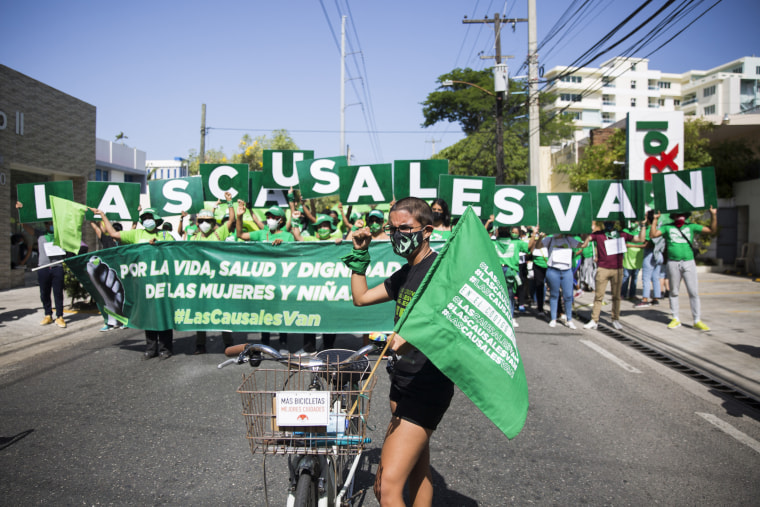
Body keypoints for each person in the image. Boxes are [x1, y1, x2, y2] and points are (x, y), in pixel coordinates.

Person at [344, 196, 452, 506]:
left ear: (427, 230)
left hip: (428, 384)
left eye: (405, 228)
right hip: (402, 381)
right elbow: (361, 297)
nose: (397, 235)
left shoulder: (440, 270)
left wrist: (412, 337)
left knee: (385, 487)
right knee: (419, 468)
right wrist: (360, 252)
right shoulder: (406, 272)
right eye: (392, 229)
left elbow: (449, 323)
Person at [91, 207, 176, 359]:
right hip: (143, 283)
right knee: (148, 315)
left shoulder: (165, 234)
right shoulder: (136, 234)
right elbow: (113, 234)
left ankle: (165, 348)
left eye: (150, 217)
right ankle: (151, 348)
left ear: (156, 219)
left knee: (163, 314)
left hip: (163, 283)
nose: (147, 220)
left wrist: (160, 245)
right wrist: (103, 215)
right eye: (144, 218)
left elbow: (175, 252)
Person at [237, 202, 294, 351]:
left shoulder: (288, 236)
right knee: (265, 312)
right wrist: (239, 217)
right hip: (263, 280)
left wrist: (284, 245)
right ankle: (264, 343)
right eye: (268, 216)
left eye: (273, 217)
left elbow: (293, 255)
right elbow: (240, 235)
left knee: (281, 311)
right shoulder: (262, 233)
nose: (269, 219)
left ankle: (283, 342)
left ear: (281, 220)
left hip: (281, 281)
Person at [650, 207, 717, 330]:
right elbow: (653, 235)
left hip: (688, 262)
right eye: (677, 215)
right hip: (673, 262)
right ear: (673, 216)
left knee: (693, 292)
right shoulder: (667, 227)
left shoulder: (691, 226)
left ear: (686, 216)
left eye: (682, 215)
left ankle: (697, 320)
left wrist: (713, 215)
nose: (679, 217)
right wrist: (655, 220)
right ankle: (675, 318)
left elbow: (712, 230)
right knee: (674, 292)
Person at [189, 203, 237, 353]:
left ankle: (228, 344)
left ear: (213, 223)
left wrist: (230, 203)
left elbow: (231, 221)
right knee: (200, 314)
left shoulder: (218, 234)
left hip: (219, 281)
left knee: (223, 313)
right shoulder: (193, 238)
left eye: (208, 221)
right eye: (201, 221)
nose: (205, 224)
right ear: (197, 223)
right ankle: (200, 344)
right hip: (200, 281)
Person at [293, 213, 343, 352]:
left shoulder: (336, 241)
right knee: (310, 315)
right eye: (320, 226)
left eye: (325, 226)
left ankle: (328, 347)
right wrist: (295, 220)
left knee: (330, 317)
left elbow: (351, 241)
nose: (322, 228)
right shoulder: (311, 240)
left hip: (330, 286)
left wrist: (342, 242)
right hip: (312, 285)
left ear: (330, 228)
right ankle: (309, 348)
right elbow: (298, 236)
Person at [585, 221, 645, 331]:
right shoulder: (599, 234)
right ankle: (594, 320)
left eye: (611, 222)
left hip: (617, 269)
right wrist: (585, 227)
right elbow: (586, 240)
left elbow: (640, 239)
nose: (609, 224)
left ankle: (615, 319)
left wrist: (643, 226)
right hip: (603, 269)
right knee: (599, 296)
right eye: (607, 222)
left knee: (616, 296)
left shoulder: (622, 234)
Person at [16, 201, 67, 328]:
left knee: (58, 293)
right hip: (43, 268)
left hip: (57, 267)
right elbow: (24, 225)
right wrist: (20, 211)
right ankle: (48, 314)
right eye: (47, 223)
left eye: (51, 223)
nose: (49, 225)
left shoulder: (60, 234)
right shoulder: (40, 233)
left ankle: (60, 316)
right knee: (44, 292)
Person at [490, 223, 536, 327]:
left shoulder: (516, 242)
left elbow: (528, 246)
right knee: (498, 295)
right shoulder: (493, 242)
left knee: (510, 295)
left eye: (505, 227)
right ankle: (499, 317)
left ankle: (510, 317)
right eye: (502, 227)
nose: (504, 229)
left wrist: (534, 234)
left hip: (510, 272)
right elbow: (483, 240)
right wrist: (489, 223)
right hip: (498, 271)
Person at [536, 232, 584, 329]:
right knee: (554, 295)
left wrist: (588, 236)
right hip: (553, 270)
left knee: (568, 296)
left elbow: (582, 245)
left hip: (566, 271)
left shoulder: (569, 239)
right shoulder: (550, 239)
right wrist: (540, 236)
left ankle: (569, 319)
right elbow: (538, 246)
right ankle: (553, 319)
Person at [636, 210, 666, 307]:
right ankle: (656, 298)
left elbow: (647, 245)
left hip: (650, 255)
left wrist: (630, 245)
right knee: (655, 278)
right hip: (659, 255)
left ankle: (645, 299)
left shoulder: (649, 229)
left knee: (646, 278)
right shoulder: (659, 228)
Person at [620, 221, 647, 302]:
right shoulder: (625, 231)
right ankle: (622, 294)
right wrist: (638, 245)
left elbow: (644, 242)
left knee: (635, 277)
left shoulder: (641, 231)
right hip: (628, 257)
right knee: (626, 276)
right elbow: (624, 243)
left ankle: (632, 294)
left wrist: (632, 245)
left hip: (638, 257)